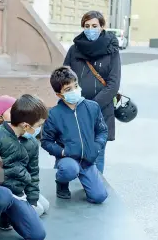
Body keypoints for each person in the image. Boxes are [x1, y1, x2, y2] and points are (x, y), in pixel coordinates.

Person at [0, 94, 49, 240]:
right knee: (3, 196)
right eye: (38, 125)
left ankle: (7, 216)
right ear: (25, 125)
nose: (39, 129)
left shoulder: (31, 144)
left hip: (18, 193)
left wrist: (32, 200)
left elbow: (33, 172)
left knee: (37, 235)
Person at [63, 10, 121, 174]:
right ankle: (75, 183)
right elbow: (64, 76)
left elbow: (113, 83)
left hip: (100, 111)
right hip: (75, 109)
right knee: (75, 151)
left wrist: (91, 106)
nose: (90, 29)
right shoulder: (75, 49)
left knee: (97, 152)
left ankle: (96, 184)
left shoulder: (112, 50)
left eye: (94, 26)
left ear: (102, 27)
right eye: (87, 26)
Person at [41, 66, 108, 203]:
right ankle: (62, 183)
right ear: (59, 94)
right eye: (68, 89)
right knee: (69, 169)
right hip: (68, 159)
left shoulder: (92, 107)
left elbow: (102, 130)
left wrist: (97, 146)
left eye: (75, 86)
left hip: (88, 160)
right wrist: (63, 152)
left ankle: (88, 180)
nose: (74, 91)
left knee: (99, 196)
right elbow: (46, 141)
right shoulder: (54, 114)